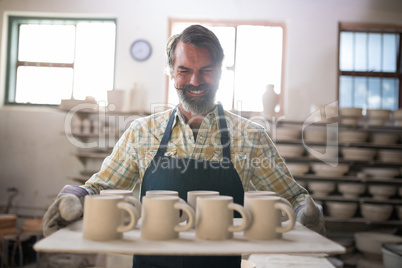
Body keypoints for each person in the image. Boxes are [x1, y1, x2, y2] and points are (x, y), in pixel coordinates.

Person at [43, 24, 325, 268]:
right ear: (171, 73)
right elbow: (100, 188)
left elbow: (292, 198)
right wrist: (74, 197)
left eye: (206, 70)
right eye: (184, 70)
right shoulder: (143, 132)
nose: (195, 81)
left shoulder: (250, 137)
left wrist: (306, 214)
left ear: (221, 72)